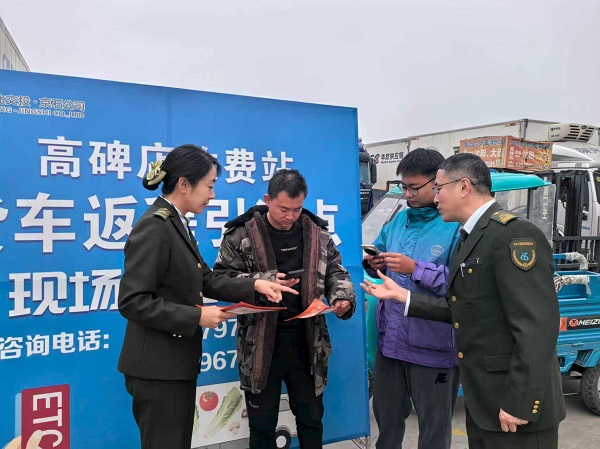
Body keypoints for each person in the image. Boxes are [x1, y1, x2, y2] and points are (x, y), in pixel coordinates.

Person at [362, 153, 567, 449]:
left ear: (463, 187)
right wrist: (402, 296)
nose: (435, 197)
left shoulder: (514, 235)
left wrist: (520, 401)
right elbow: (463, 307)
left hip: (510, 400)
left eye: (438, 188)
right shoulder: (470, 236)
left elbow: (538, 327)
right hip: (482, 394)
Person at [117, 144, 296, 449]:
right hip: (157, 370)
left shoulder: (176, 223)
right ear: (184, 184)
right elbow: (133, 301)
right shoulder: (155, 227)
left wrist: (255, 284)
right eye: (209, 186)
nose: (212, 195)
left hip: (174, 365)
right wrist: (198, 316)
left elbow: (205, 279)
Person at [213, 169, 356, 449]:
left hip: (307, 341)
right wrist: (261, 282)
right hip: (260, 343)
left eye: (297, 209)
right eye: (283, 209)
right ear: (267, 200)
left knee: (311, 419)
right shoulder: (241, 234)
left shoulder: (318, 234)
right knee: (262, 424)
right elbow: (219, 280)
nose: (290, 216)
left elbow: (336, 271)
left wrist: (342, 297)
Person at [363, 148, 460, 449]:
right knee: (387, 421)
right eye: (403, 187)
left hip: (432, 347)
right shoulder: (399, 221)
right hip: (391, 344)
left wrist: (415, 268)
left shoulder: (455, 225)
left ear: (438, 182)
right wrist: (374, 263)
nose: (408, 194)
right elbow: (379, 250)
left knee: (434, 428)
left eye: (414, 187)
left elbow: (462, 285)